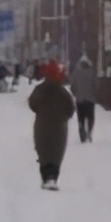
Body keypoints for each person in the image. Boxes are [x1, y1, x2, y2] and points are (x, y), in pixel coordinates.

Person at [28, 60, 75, 190]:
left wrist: (42, 112)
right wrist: (63, 117)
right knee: (56, 152)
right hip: (60, 127)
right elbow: (71, 108)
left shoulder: (40, 89)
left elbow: (32, 104)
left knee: (43, 151)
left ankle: (45, 177)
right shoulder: (63, 92)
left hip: (42, 126)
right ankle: (53, 177)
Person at [69, 54, 96, 143]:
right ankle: (89, 132)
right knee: (90, 117)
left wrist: (76, 94)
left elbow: (72, 87)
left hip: (80, 100)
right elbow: (96, 85)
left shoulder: (76, 73)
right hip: (90, 100)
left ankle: (82, 133)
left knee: (81, 118)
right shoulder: (92, 73)